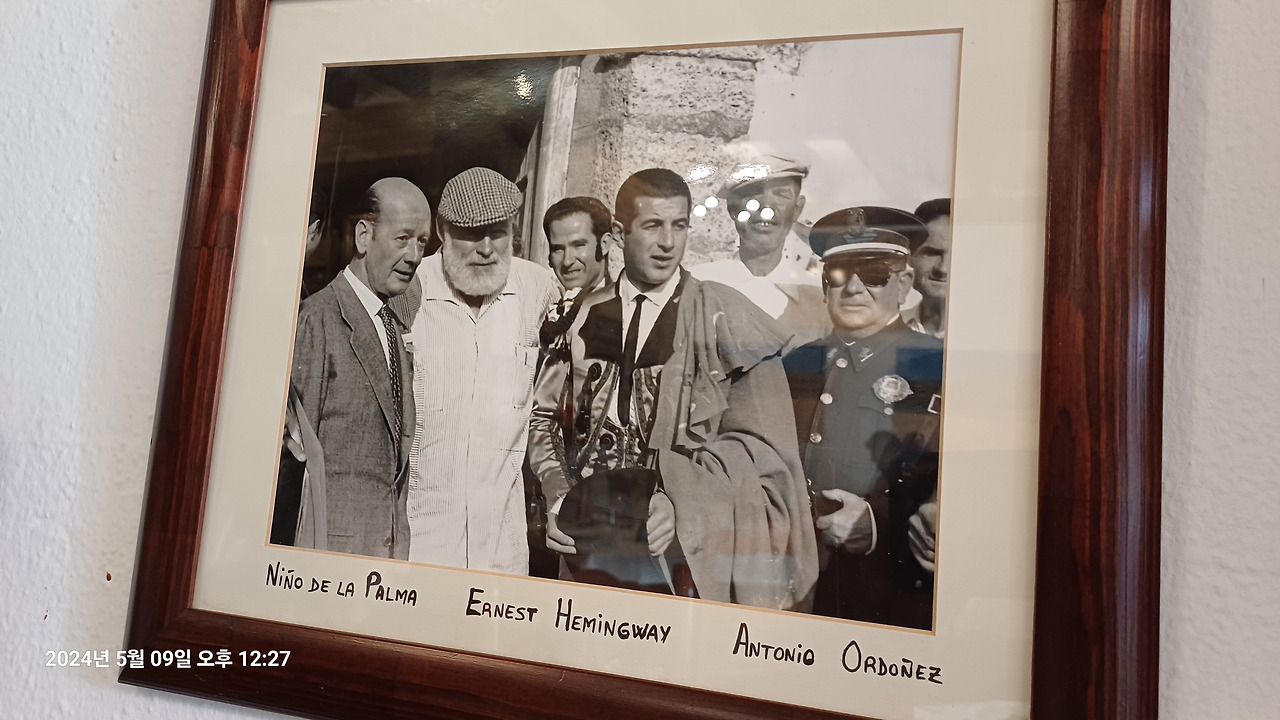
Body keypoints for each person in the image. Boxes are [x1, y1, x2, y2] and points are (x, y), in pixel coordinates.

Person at [528, 168, 818, 611]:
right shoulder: (579, 313)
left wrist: (684, 502)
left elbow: (766, 458)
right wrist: (557, 496)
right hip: (584, 546)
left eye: (679, 225)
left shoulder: (725, 317)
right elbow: (544, 418)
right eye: (652, 226)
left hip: (679, 559)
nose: (668, 243)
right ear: (619, 234)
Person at [784, 206, 943, 629]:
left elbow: (953, 488)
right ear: (825, 285)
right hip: (792, 577)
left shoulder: (938, 366)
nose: (853, 287)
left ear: (904, 285)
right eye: (839, 274)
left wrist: (877, 525)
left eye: (874, 274)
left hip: (882, 593)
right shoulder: (797, 363)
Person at [399, 167, 559, 574]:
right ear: (442, 230)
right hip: (420, 545)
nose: (487, 248)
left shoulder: (538, 288)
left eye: (498, 232)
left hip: (503, 553)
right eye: (471, 234)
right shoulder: (407, 291)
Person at [285, 177, 430, 558]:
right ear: (363, 236)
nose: (415, 256)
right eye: (403, 238)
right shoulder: (316, 319)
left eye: (422, 242)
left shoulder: (392, 325)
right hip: (327, 559)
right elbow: (293, 466)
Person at [691, 155, 829, 347]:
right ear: (732, 209)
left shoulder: (819, 299)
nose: (767, 207)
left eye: (781, 194)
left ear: (797, 209)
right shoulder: (696, 284)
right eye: (753, 194)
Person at [903, 198, 951, 338]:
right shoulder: (888, 330)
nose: (943, 269)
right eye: (931, 253)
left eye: (955, 255)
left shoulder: (993, 334)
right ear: (910, 256)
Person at [544, 196, 613, 293]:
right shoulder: (547, 300)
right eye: (558, 249)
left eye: (578, 245)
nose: (567, 261)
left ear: (604, 244)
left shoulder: (623, 302)